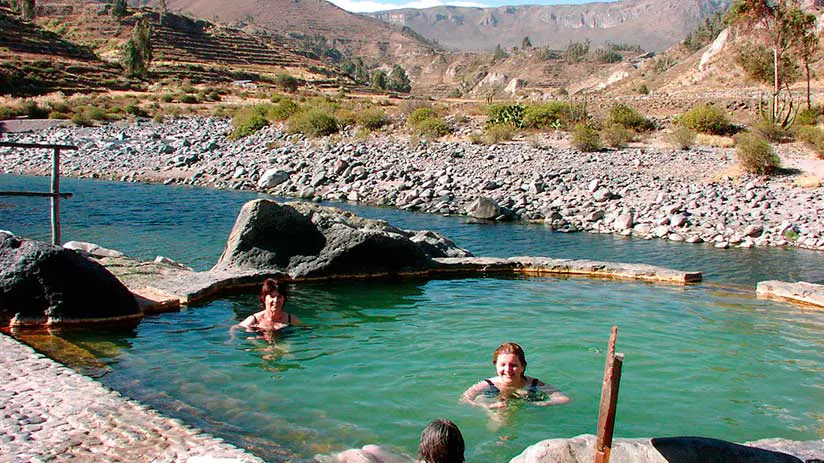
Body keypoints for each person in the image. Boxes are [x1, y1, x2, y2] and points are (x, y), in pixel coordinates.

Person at [462, 342, 570, 409]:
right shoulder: (489, 384)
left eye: (513, 365)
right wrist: (487, 406)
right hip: (495, 402)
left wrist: (544, 404)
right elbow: (464, 399)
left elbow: (564, 399)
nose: (508, 370)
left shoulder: (533, 384)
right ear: (496, 365)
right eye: (503, 365)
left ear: (523, 367)